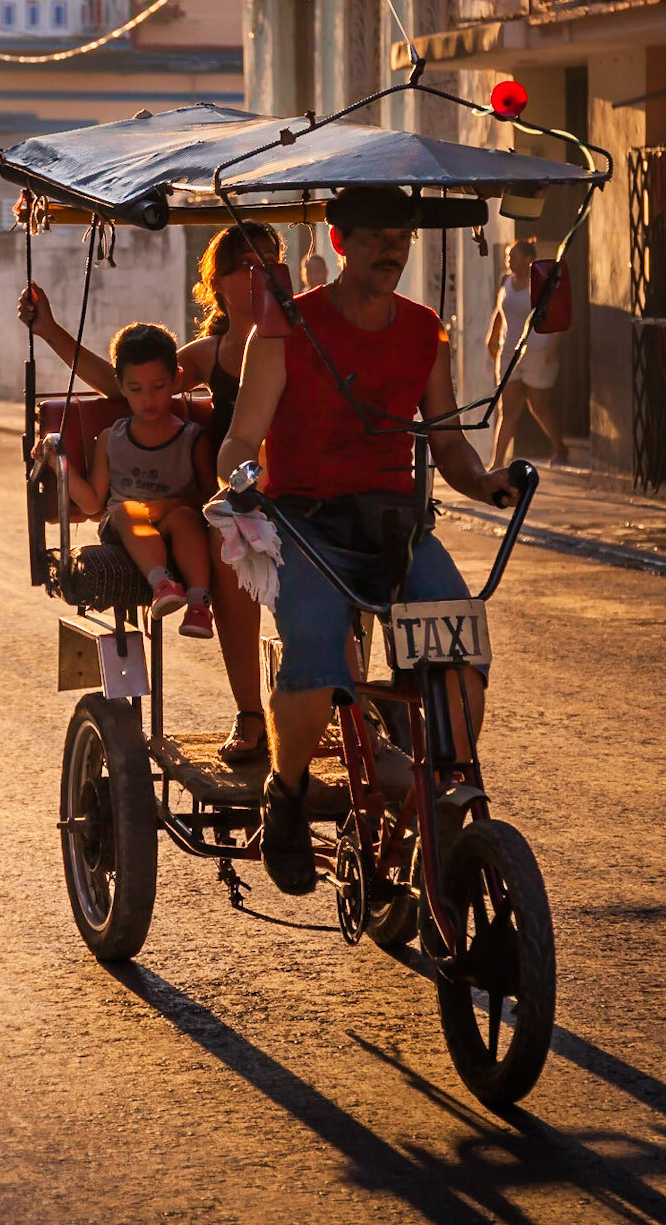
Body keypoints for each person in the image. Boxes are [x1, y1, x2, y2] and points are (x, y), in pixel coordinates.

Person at [214, 185, 519, 896]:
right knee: (318, 659)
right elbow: (239, 437)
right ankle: (286, 794)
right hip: (306, 526)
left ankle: (435, 802)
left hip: (397, 528)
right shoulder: (285, 328)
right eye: (376, 236)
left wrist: (487, 483)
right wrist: (241, 477)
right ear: (341, 240)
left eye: (401, 238)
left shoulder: (422, 331)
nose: (391, 249)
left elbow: (448, 445)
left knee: (459, 651)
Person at [20, 222, 284, 762]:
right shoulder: (212, 354)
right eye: (243, 265)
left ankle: (343, 712)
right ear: (219, 282)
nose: (259, 274)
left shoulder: (299, 340)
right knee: (227, 551)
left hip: (299, 488)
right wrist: (50, 331)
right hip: (240, 500)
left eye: (268, 262)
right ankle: (251, 715)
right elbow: (127, 384)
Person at [66, 323, 217, 637]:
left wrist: (169, 505)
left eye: (158, 386)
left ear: (176, 378)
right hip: (124, 526)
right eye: (136, 389)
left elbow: (209, 497)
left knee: (187, 517)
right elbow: (94, 502)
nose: (148, 398)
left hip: (174, 522)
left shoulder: (192, 438)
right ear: (120, 386)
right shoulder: (112, 438)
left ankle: (199, 603)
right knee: (127, 511)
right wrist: (60, 467)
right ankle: (162, 583)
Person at [486, 238, 568, 467]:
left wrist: (552, 348)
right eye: (508, 256)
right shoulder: (506, 282)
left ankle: (559, 447)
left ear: (528, 259)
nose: (509, 260)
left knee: (538, 404)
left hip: (537, 351)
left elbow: (556, 317)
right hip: (509, 351)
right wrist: (492, 337)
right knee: (508, 409)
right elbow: (500, 311)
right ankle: (497, 462)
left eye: (513, 256)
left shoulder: (540, 284)